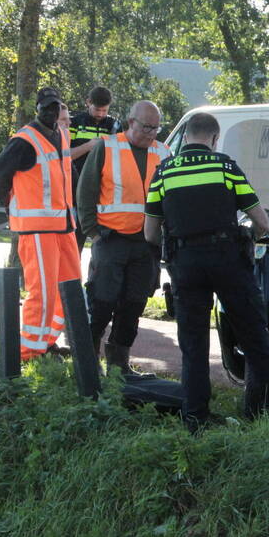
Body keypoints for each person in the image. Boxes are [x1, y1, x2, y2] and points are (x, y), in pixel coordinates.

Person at [144, 112, 269, 431]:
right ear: (214, 138)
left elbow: (150, 233)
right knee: (254, 336)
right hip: (228, 261)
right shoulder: (225, 167)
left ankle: (195, 418)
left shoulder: (163, 172)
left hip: (185, 264)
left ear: (186, 137)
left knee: (193, 345)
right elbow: (261, 221)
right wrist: (251, 236)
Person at [77, 100, 171, 376]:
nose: (151, 133)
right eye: (146, 127)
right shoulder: (107, 147)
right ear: (131, 122)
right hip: (111, 239)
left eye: (156, 128)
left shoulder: (164, 152)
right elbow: (86, 191)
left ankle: (119, 364)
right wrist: (94, 233)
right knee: (102, 301)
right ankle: (89, 360)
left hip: (146, 244)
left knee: (134, 303)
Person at [0, 87, 81, 360]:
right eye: (47, 107)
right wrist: (12, 206)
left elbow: (69, 174)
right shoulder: (24, 141)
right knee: (42, 291)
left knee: (69, 288)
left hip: (64, 226)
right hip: (38, 229)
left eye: (56, 107)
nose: (52, 112)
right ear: (38, 110)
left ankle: (47, 342)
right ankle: (29, 351)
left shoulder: (62, 135)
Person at [70, 87, 120, 253]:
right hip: (77, 188)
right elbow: (65, 155)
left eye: (104, 111)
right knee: (75, 240)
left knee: (103, 242)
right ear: (88, 103)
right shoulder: (75, 123)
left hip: (104, 191)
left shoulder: (114, 125)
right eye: (97, 110)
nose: (100, 114)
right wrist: (89, 146)